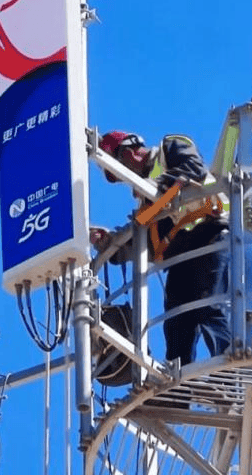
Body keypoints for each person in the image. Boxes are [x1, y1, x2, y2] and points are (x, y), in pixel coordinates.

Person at [97, 130, 230, 366]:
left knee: (207, 306)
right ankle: (178, 395)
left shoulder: (172, 148)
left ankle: (231, 373)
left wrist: (155, 184)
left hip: (210, 235)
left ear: (129, 155)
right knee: (176, 322)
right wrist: (111, 245)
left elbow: (193, 170)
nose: (126, 181)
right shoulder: (148, 201)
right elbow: (147, 241)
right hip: (180, 256)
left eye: (121, 173)